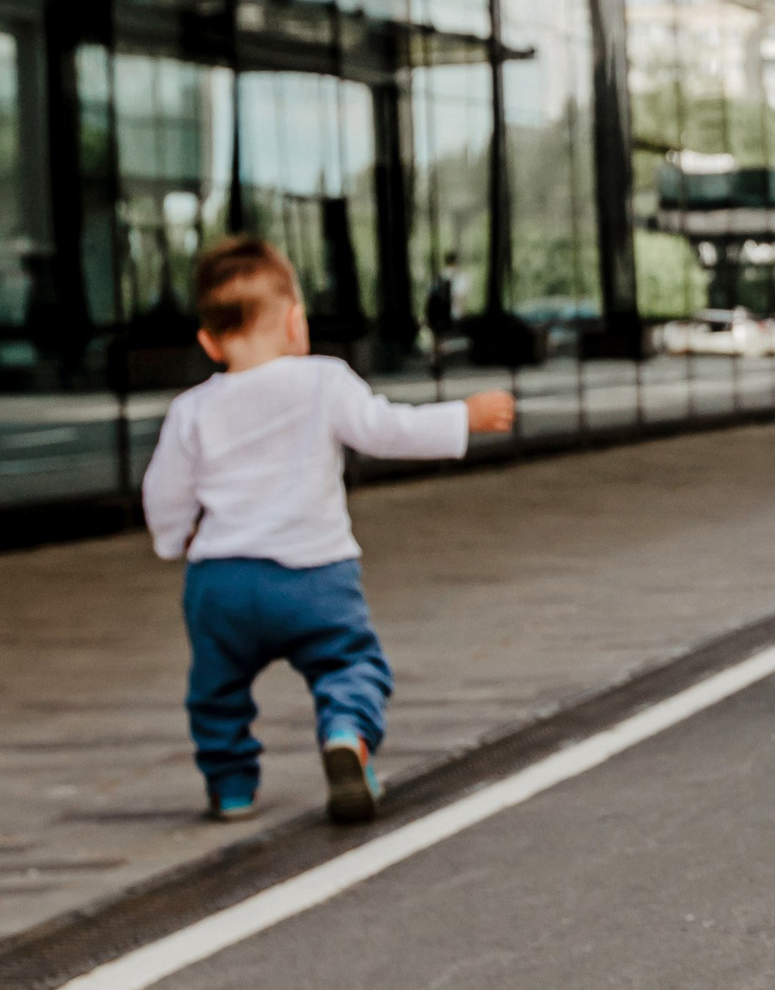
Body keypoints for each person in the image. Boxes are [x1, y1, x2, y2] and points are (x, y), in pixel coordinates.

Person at [142, 234, 516, 825]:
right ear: (297, 323)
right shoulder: (323, 380)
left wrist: (173, 540)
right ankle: (345, 731)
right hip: (315, 576)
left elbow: (165, 492)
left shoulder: (192, 409)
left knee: (216, 690)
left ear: (209, 342)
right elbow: (384, 429)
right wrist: (462, 417)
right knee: (349, 663)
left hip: (223, 582)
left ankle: (232, 785)